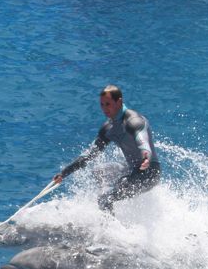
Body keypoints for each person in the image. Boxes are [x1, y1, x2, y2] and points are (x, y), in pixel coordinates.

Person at [53, 85, 161, 213]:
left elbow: (143, 141)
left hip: (149, 173)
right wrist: (63, 174)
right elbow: (89, 155)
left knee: (106, 199)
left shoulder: (134, 121)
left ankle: (114, 231)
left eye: (108, 104)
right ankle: (113, 204)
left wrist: (146, 156)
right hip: (132, 169)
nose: (104, 108)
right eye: (102, 104)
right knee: (99, 171)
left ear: (119, 102)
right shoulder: (108, 128)